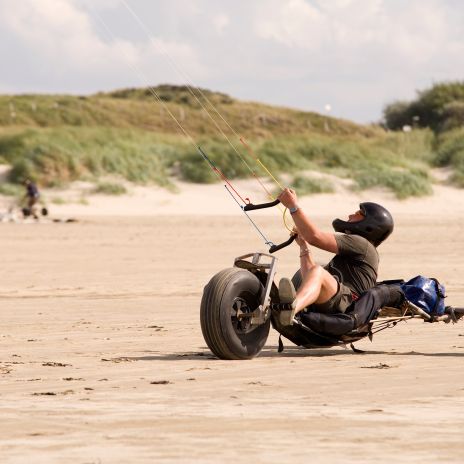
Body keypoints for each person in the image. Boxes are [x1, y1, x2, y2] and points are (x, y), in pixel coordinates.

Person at [271, 188, 394, 326]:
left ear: (370, 226)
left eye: (359, 213)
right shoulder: (357, 247)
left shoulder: (363, 245)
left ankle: (292, 308)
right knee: (311, 272)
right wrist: (303, 246)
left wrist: (293, 206)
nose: (351, 214)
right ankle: (291, 306)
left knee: (318, 271)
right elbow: (309, 276)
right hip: (333, 301)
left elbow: (315, 237)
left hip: (347, 305)